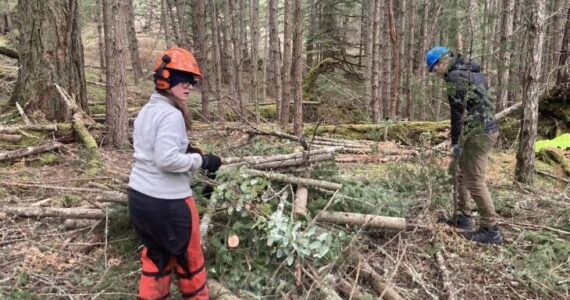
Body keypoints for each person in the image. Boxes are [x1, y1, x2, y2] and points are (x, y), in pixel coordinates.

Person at [128, 47, 222, 299]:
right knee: (189, 259)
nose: (189, 86)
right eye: (182, 79)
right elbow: (166, 159)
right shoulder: (171, 115)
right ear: (164, 78)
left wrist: (185, 149)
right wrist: (200, 160)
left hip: (139, 198)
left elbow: (149, 148)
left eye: (192, 80)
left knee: (157, 258)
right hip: (168, 202)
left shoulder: (147, 111)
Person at [426, 46, 502, 244]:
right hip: (478, 130)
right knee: (458, 171)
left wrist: (455, 142)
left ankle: (490, 229)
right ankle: (464, 218)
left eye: (434, 70)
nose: (435, 74)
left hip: (480, 133)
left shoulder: (455, 77)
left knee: (474, 179)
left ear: (442, 62)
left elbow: (458, 114)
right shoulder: (470, 70)